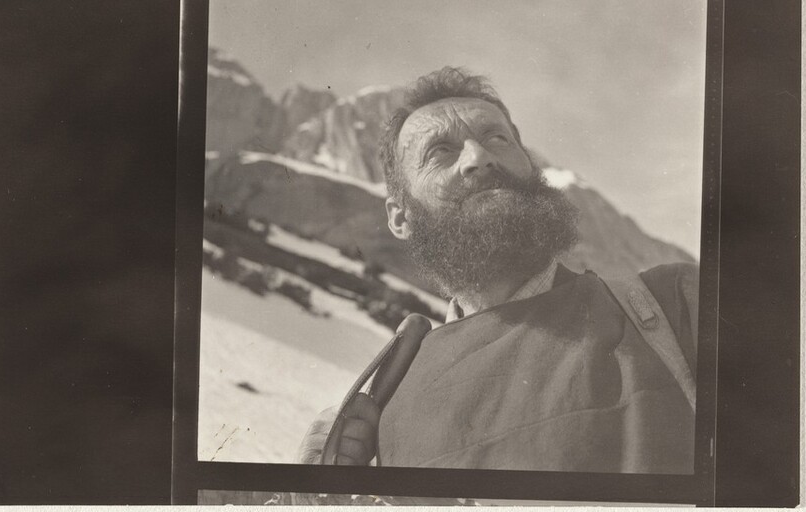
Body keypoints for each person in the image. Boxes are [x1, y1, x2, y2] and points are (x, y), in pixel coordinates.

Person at [298, 66, 699, 475]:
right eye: (440, 151)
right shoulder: (390, 405)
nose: (479, 157)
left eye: (496, 138)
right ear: (401, 218)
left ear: (533, 169)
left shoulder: (677, 301)